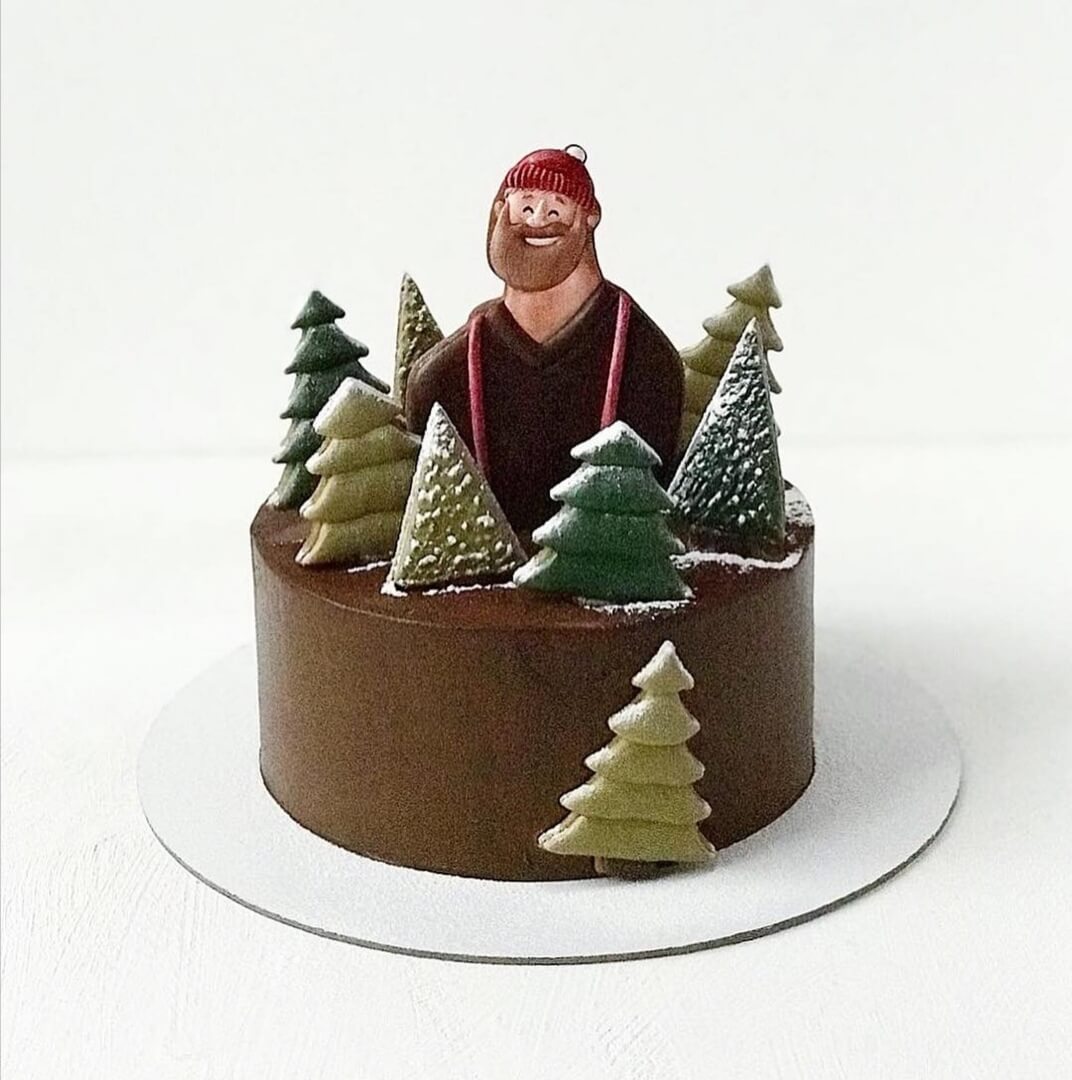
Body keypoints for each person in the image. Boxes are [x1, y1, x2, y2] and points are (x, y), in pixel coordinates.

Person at [405, 145, 683, 533]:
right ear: (500, 211)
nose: (537, 221)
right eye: (525, 207)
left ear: (589, 217)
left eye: (556, 209)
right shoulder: (442, 380)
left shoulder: (647, 364)